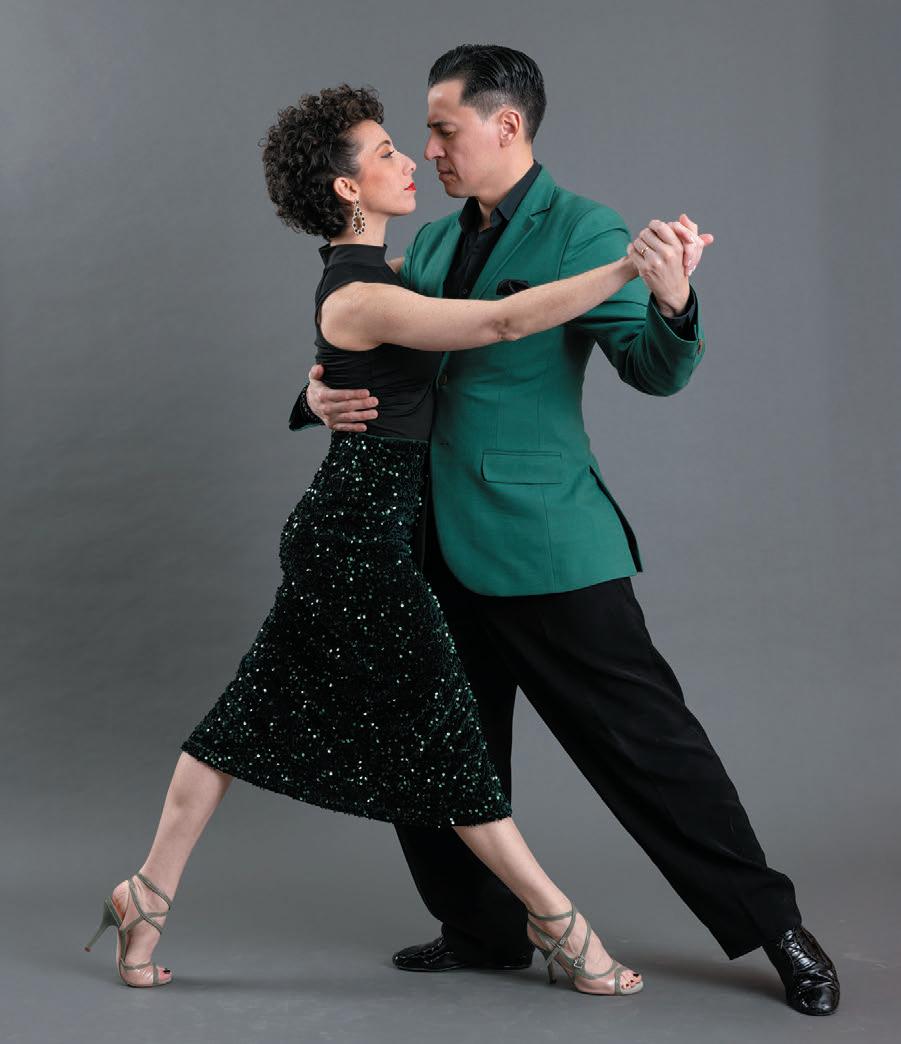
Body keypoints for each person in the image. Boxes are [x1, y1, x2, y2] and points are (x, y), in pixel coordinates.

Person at [82, 81, 702, 998]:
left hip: (365, 530)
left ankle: (145, 895)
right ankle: (561, 928)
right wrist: (626, 268)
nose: (411, 159)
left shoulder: (388, 273)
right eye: (384, 153)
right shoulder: (360, 292)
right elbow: (497, 321)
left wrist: (313, 391)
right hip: (360, 543)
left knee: (239, 727)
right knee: (447, 744)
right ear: (346, 189)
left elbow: (374, 356)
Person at [298, 45, 840, 1017]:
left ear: (505, 125)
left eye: (443, 129)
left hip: (545, 538)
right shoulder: (429, 244)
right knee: (433, 750)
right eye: (423, 134)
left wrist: (671, 298)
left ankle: (776, 930)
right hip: (425, 543)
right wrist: (311, 396)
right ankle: (479, 931)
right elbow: (369, 338)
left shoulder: (585, 229)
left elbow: (651, 368)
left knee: (651, 750)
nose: (430, 149)